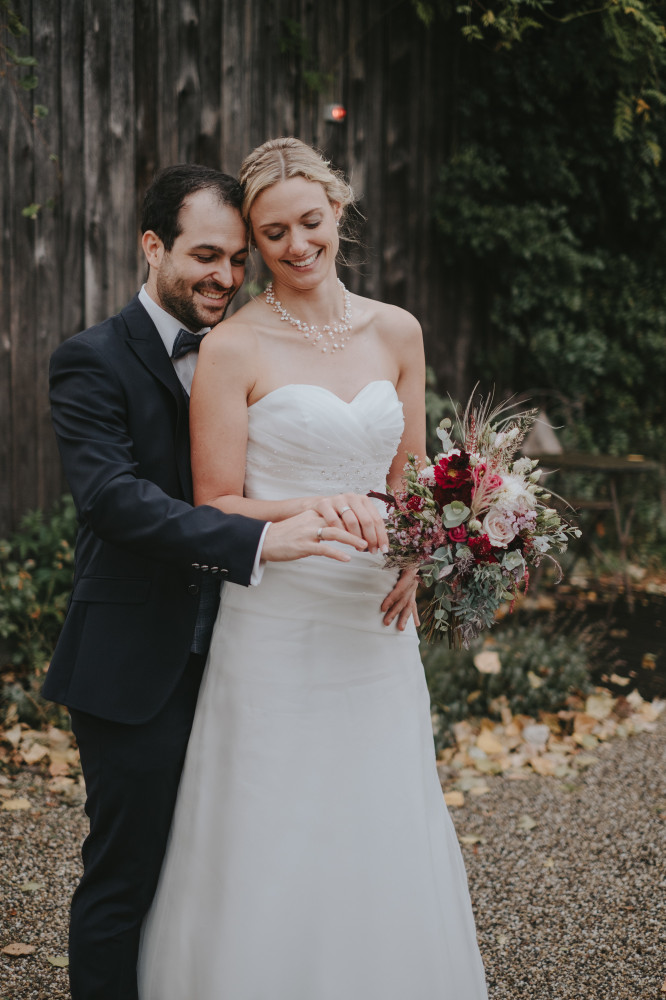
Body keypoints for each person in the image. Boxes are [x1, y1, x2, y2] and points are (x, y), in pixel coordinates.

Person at [138, 139, 488, 999]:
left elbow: (411, 480)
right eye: (272, 234)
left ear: (340, 211)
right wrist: (304, 510)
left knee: (380, 809)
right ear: (253, 242)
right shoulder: (234, 346)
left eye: (310, 223)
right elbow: (215, 502)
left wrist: (418, 552)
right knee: (272, 816)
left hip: (373, 621)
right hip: (277, 617)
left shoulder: (396, 330)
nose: (296, 246)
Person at [44, 164, 375, 1000]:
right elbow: (117, 504)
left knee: (232, 873)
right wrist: (262, 543)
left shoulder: (257, 344)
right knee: (128, 877)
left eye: (235, 258)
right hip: (138, 664)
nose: (224, 276)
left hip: (252, 661)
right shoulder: (90, 361)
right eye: (203, 255)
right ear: (152, 246)